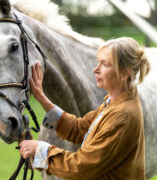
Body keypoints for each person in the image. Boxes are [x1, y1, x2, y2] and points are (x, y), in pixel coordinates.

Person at [19, 37, 151, 179]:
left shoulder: (123, 115)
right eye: (98, 62)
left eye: (105, 64)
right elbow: (80, 129)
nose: (96, 69)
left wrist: (41, 151)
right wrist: (42, 98)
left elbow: (82, 166)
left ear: (125, 74)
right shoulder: (114, 103)